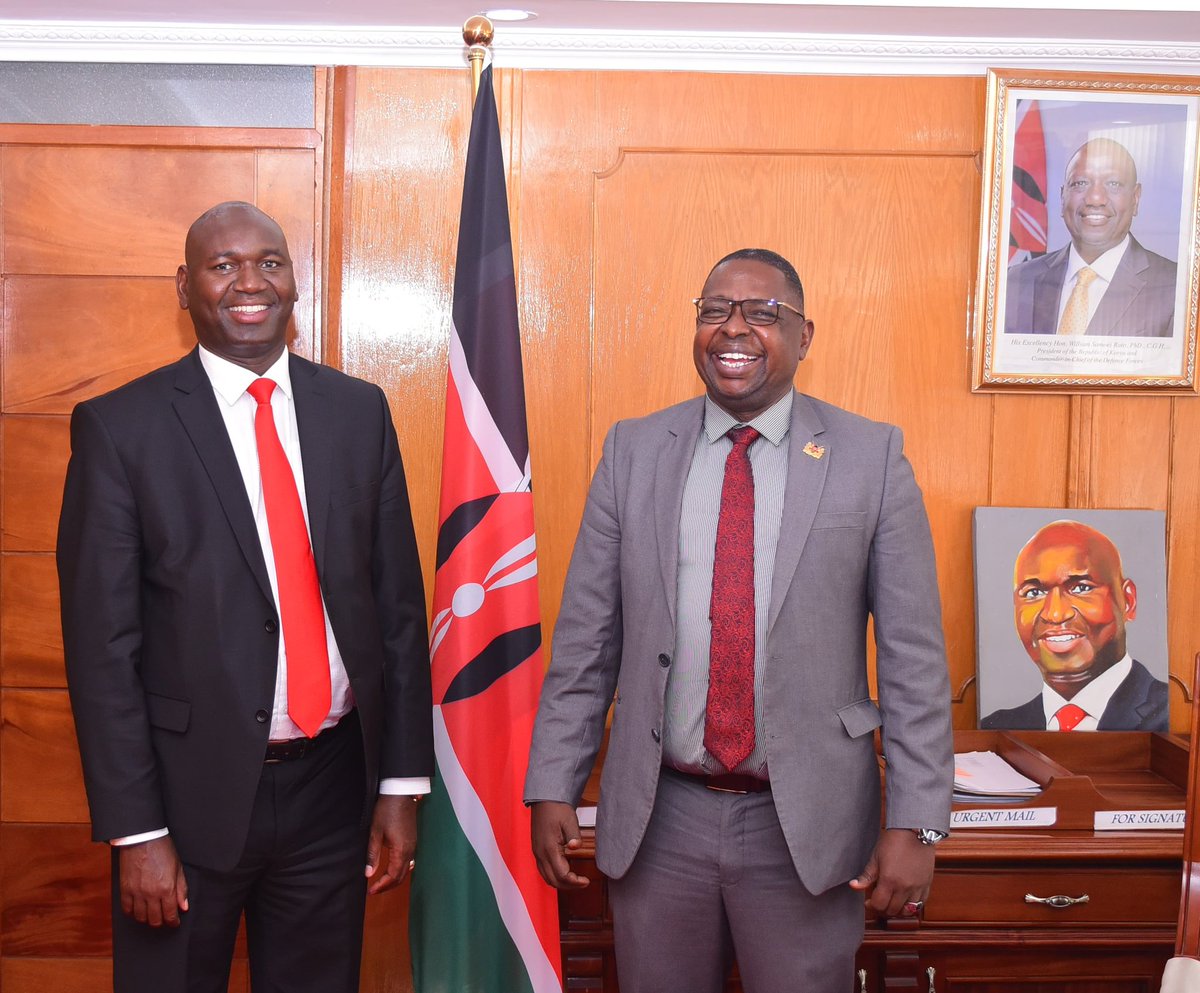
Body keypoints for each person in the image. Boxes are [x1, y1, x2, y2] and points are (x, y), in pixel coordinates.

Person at [524, 249, 953, 993]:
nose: (735, 328)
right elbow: (587, 641)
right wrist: (552, 782)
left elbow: (914, 658)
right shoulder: (633, 451)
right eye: (715, 308)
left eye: (763, 312)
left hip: (807, 823)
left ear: (804, 334)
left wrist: (917, 822)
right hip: (661, 817)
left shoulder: (870, 457)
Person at [56, 201, 433, 993]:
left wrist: (400, 786)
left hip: (332, 790)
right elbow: (103, 652)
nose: (249, 282)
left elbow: (397, 610)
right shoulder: (120, 428)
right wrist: (137, 831)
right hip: (183, 805)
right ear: (185, 286)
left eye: (269, 261)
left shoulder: (358, 412)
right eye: (223, 265)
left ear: (295, 282)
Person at [981, 520, 1168, 732]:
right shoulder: (997, 728)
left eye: (1080, 587)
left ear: (1128, 601)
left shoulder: (1165, 717)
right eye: (1034, 593)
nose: (1056, 614)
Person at [1004, 137, 1177, 337]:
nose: (1095, 198)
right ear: (1062, 198)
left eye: (1113, 183)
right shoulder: (1016, 281)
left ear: (1135, 198)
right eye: (1080, 183)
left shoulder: (1176, 288)